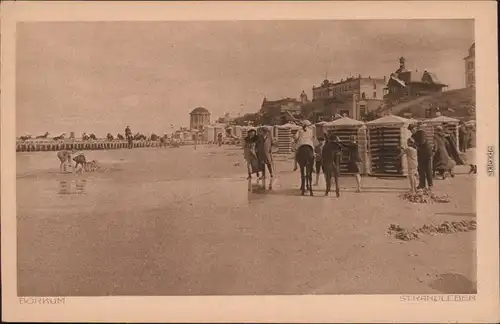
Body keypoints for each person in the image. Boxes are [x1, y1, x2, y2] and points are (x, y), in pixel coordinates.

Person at [409, 123, 433, 190]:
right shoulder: (413, 135)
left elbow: (422, 142)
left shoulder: (421, 133)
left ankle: (430, 185)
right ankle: (422, 185)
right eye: (411, 130)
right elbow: (413, 145)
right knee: (421, 170)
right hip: (420, 154)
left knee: (428, 169)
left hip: (427, 153)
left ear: (415, 128)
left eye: (412, 129)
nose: (412, 131)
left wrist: (413, 142)